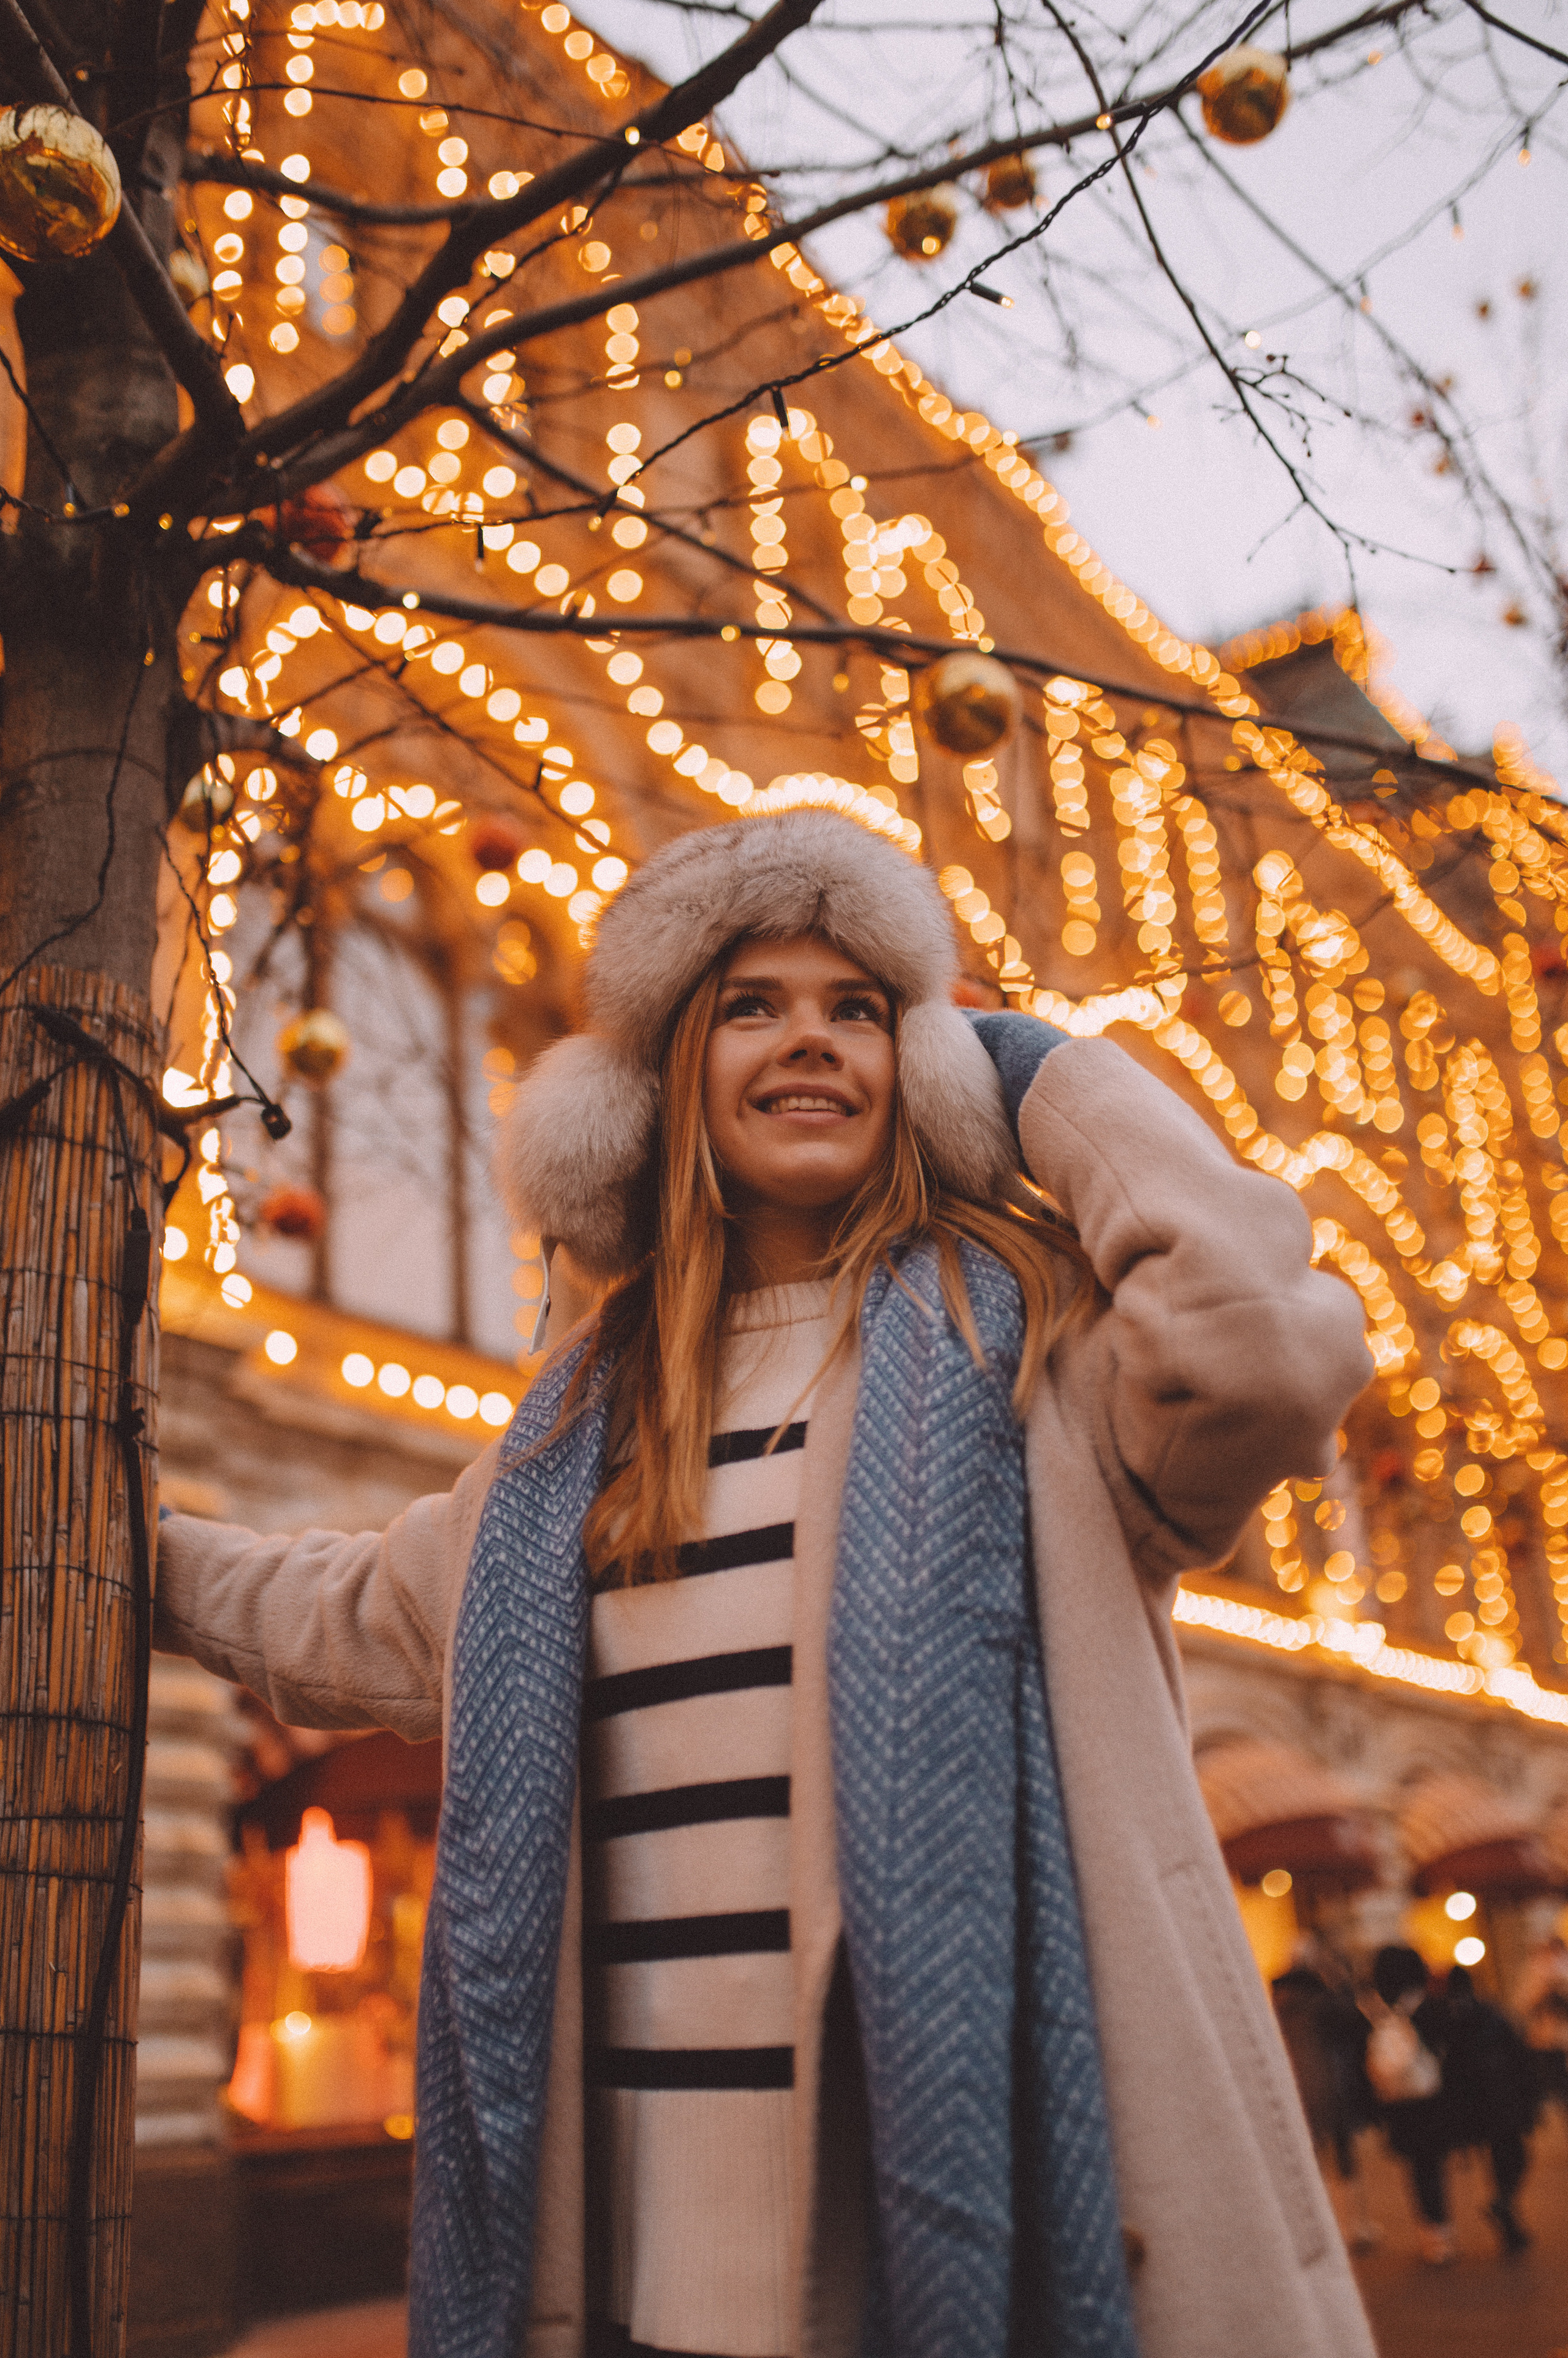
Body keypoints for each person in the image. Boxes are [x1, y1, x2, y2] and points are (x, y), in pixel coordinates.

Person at [154, 812, 1376, 2358]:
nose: (809, 1041)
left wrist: (1032, 1070)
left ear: (914, 1064)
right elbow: (335, 1620)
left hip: (950, 2272)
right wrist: (102, 1531)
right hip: (628, 2287)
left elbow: (1263, 1346)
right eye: (751, 1004)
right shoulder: (575, 1442)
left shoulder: (1039, 1369)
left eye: (858, 1008)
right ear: (663, 1080)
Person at [1272, 1942, 1379, 2251]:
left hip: (1299, 2088)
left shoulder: (1282, 2004)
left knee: (1311, 2160)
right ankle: (1355, 2227)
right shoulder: (1323, 2003)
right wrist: (1341, 1983)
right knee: (1344, 2156)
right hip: (1332, 2084)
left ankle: (1315, 2227)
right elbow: (1357, 2023)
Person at [1441, 1962, 1538, 2254]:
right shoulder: (1492, 2012)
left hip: (1473, 2106)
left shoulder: (1449, 2019)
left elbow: (1448, 2068)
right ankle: (1504, 2204)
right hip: (1503, 2098)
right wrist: (1530, 2099)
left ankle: (1510, 2225)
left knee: (1497, 2162)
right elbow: (1520, 2054)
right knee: (1517, 2158)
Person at [1367, 1945, 1453, 2265]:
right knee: (1432, 2165)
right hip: (1430, 2097)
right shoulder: (1430, 2005)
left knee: (1418, 2169)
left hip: (1399, 2102)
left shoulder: (1377, 2008)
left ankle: (1430, 2235)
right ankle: (1441, 2233)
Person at [1513, 1930, 1568, 2118]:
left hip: (1562, 2040)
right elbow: (1521, 2006)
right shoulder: (1534, 1976)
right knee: (1559, 2095)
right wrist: (1542, 1989)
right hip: (1546, 2044)